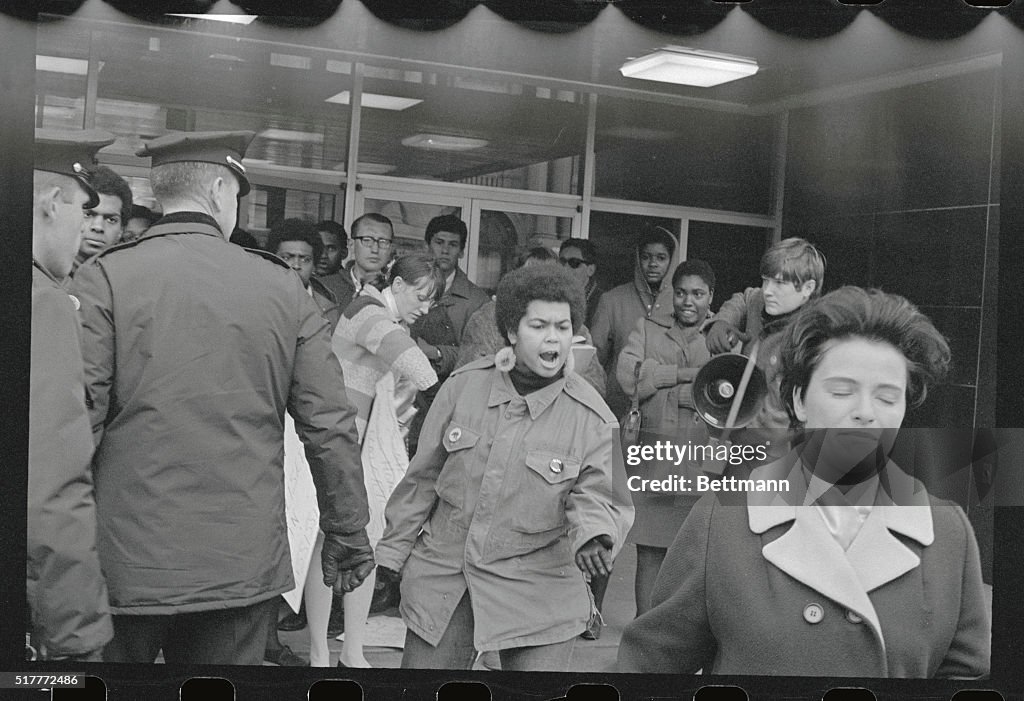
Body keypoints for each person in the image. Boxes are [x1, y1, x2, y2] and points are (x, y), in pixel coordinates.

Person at [71, 130, 375, 666]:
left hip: (124, 560)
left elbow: (78, 423)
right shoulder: (282, 288)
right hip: (238, 563)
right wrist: (347, 529)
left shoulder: (105, 277)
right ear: (218, 189)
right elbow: (328, 422)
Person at [617, 287, 990, 678]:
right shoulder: (723, 520)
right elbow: (649, 667)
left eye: (887, 396)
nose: (865, 413)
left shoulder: (948, 533)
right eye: (842, 391)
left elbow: (965, 675)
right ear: (797, 400)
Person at [376, 265, 634, 671]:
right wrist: (390, 557)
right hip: (448, 578)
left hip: (541, 587)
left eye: (563, 327)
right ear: (512, 331)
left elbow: (608, 498)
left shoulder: (596, 417)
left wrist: (595, 537)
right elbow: (421, 479)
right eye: (539, 325)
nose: (553, 337)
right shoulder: (462, 387)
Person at [28, 128, 116, 663]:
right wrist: (77, 634)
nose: (88, 230)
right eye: (84, 213)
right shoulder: (44, 303)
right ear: (50, 204)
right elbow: (50, 487)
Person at [332, 252, 444, 667]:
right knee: (352, 541)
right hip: (342, 447)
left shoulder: (372, 311)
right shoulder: (370, 311)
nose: (426, 308)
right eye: (421, 295)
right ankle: (344, 653)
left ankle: (341, 654)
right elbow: (418, 368)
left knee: (341, 543)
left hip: (346, 444)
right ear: (396, 285)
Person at [616, 259, 715, 618]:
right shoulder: (648, 328)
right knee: (649, 551)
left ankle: (679, 641)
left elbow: (735, 390)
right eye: (682, 292)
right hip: (654, 457)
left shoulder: (722, 335)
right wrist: (689, 378)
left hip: (704, 463)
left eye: (698, 294)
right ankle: (644, 637)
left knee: (695, 557)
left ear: (711, 297)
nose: (689, 301)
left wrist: (660, 381)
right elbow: (629, 378)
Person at [704, 237, 826, 432]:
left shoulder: (813, 338)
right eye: (765, 280)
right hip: (738, 431)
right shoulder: (760, 301)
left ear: (807, 288)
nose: (767, 291)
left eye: (779, 283)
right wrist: (721, 322)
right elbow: (744, 298)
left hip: (776, 444)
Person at [456, 247, 606, 398]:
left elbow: (596, 388)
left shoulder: (577, 328)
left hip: (558, 414)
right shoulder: (486, 319)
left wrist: (567, 374)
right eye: (531, 278)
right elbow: (469, 380)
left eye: (548, 279)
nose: (539, 286)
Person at [409, 215, 490, 451]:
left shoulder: (477, 300)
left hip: (450, 404)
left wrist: (433, 352)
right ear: (427, 245)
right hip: (404, 399)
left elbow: (481, 357)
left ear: (462, 251)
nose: (444, 250)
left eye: (452, 245)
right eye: (439, 242)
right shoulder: (405, 286)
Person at [590, 226, 677, 419]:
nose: (653, 264)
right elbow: (594, 360)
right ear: (638, 259)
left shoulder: (681, 303)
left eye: (661, 258)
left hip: (666, 412)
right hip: (617, 408)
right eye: (646, 257)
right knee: (615, 451)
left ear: (672, 261)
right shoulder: (612, 300)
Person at [267, 218, 341, 333]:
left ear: (314, 266)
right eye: (287, 258)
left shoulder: (329, 311)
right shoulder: (258, 301)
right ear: (272, 260)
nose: (296, 265)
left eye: (305, 259)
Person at [72, 164, 132, 275]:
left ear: (121, 230)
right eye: (88, 214)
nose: (98, 227)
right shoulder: (39, 278)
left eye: (111, 220)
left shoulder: (124, 283)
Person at [559, 238, 603, 327]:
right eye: (562, 262)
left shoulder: (602, 303)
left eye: (574, 263)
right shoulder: (552, 297)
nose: (565, 268)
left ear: (590, 270)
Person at [313, 221, 353, 309]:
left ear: (344, 253)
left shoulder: (351, 289)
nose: (323, 255)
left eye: (331, 249)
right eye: (317, 247)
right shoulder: (300, 281)